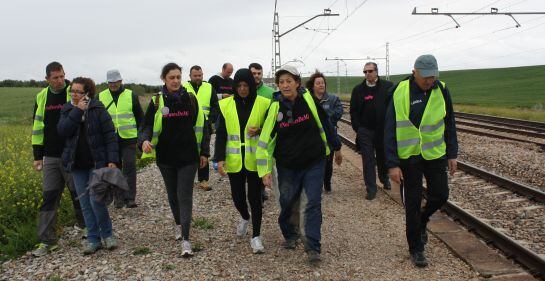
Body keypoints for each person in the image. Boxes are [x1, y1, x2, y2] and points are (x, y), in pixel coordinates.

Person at [256, 65, 342, 263]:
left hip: (314, 161)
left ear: (297, 83)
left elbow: (326, 123)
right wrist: (265, 170)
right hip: (287, 165)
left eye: (289, 81)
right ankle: (290, 233)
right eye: (281, 82)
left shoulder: (309, 100)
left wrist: (336, 147)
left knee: (312, 202)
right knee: (287, 201)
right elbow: (264, 141)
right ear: (278, 86)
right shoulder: (275, 108)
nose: (285, 85)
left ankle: (312, 246)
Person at [384, 54, 458, 267]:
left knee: (441, 195)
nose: (429, 80)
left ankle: (423, 220)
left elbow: (450, 122)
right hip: (409, 158)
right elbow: (389, 128)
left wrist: (452, 153)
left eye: (432, 76)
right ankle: (416, 248)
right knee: (412, 204)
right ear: (414, 72)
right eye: (425, 76)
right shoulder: (400, 92)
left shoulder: (442, 90)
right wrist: (392, 164)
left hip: (435, 155)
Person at [139, 62, 210, 257]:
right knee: (172, 194)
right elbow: (145, 126)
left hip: (188, 157)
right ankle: (179, 224)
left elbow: (203, 127)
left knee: (184, 195)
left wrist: (204, 152)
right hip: (166, 158)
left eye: (178, 77)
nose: (176, 81)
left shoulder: (190, 99)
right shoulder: (156, 102)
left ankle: (186, 240)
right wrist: (144, 140)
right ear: (164, 79)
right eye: (172, 77)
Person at [57, 77, 119, 255]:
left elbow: (109, 135)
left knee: (96, 200)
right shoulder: (68, 109)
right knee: (84, 203)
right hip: (77, 165)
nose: (74, 94)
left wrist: (112, 160)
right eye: (73, 91)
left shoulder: (98, 109)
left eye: (78, 92)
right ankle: (93, 239)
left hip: (97, 163)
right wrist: (77, 111)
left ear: (87, 94)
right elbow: (63, 131)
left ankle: (107, 234)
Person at [31, 61, 85, 257]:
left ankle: (87, 229)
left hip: (72, 153)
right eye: (56, 77)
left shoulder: (75, 91)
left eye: (62, 76)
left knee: (78, 194)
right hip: (51, 156)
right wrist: (38, 156)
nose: (60, 80)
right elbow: (37, 127)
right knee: (49, 197)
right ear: (47, 79)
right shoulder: (41, 96)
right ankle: (47, 241)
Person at [215, 68, 271, 254]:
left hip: (255, 160)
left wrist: (261, 128)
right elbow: (221, 134)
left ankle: (256, 236)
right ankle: (245, 217)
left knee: (255, 199)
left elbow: (273, 128)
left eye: (246, 85)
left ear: (252, 85)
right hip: (235, 160)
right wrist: (219, 158)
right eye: (239, 85)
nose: (243, 89)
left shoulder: (264, 103)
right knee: (237, 197)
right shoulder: (226, 105)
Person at [98, 69, 144, 208]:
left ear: (120, 81)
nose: (113, 85)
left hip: (129, 138)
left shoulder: (131, 95)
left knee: (129, 166)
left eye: (115, 82)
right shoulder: (100, 96)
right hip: (110, 139)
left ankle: (130, 198)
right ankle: (118, 199)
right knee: (115, 169)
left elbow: (140, 117)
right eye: (110, 82)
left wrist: (140, 136)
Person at [350, 62, 394, 200]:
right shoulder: (358, 90)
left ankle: (384, 178)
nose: (367, 74)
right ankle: (371, 188)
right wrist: (358, 128)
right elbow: (353, 110)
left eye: (370, 71)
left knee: (382, 157)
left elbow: (393, 107)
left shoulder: (387, 87)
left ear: (376, 72)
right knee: (368, 159)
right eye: (365, 72)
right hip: (365, 131)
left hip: (382, 130)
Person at [306, 71, 343, 193]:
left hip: (329, 135)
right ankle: (316, 184)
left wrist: (324, 117)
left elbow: (339, 112)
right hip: (313, 136)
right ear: (313, 86)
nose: (321, 85)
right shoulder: (308, 100)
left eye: (322, 83)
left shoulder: (333, 99)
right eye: (318, 83)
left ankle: (327, 182)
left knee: (328, 162)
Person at [183, 65, 219, 191]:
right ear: (190, 76)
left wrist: (211, 119)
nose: (198, 78)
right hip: (187, 126)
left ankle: (203, 180)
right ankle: (187, 178)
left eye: (200, 75)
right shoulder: (183, 88)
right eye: (195, 76)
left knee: (204, 151)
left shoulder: (209, 87)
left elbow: (215, 105)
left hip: (205, 125)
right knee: (187, 151)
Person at [249, 62, 274, 201]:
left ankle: (261, 189)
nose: (257, 76)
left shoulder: (270, 93)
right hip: (246, 135)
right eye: (254, 73)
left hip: (263, 135)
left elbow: (273, 116)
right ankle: (254, 190)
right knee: (250, 163)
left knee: (262, 162)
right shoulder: (244, 90)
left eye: (259, 73)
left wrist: (261, 130)